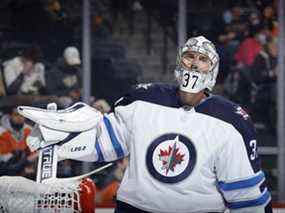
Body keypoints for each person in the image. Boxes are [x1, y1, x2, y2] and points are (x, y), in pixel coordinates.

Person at [19, 36, 272, 212]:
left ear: (213, 70)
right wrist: (61, 140)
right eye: (189, 57)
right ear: (178, 63)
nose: (194, 63)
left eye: (202, 59)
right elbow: (105, 142)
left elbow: (247, 197)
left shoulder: (231, 121)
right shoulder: (143, 99)